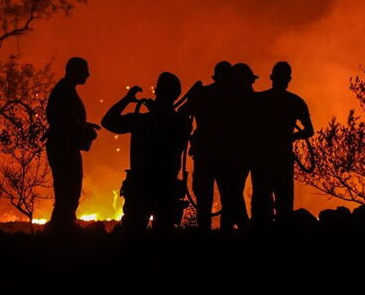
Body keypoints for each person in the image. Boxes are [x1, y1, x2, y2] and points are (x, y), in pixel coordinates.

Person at [102, 72, 191, 235]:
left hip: (142, 187)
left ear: (156, 92)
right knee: (163, 239)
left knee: (133, 240)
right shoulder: (180, 122)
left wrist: (127, 100)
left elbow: (108, 121)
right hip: (165, 187)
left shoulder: (143, 121)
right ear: (176, 94)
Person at [251, 61, 313, 228]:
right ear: (289, 79)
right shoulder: (296, 102)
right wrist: (293, 136)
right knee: (284, 198)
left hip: (261, 157)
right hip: (281, 156)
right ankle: (283, 234)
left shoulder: (259, 99)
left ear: (272, 77)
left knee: (261, 199)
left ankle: (261, 234)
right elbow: (309, 131)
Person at [45, 57, 99, 231]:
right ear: (74, 71)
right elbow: (65, 122)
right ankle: (62, 230)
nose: (88, 74)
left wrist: (85, 126)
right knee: (68, 191)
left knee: (67, 191)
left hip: (63, 146)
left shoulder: (65, 90)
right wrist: (84, 131)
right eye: (85, 70)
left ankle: (61, 228)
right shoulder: (65, 91)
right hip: (64, 148)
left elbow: (66, 118)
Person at [179, 61, 232, 232]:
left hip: (205, 154)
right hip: (224, 154)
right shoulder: (235, 97)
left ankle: (204, 237)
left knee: (204, 200)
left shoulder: (202, 94)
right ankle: (225, 235)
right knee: (228, 198)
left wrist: (191, 136)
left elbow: (181, 114)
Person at [213, 62, 257, 231]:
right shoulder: (241, 100)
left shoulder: (233, 99)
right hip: (234, 154)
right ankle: (238, 227)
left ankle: (237, 227)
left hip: (235, 154)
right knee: (231, 194)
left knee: (231, 194)